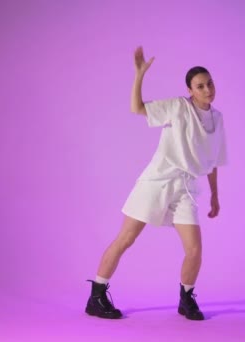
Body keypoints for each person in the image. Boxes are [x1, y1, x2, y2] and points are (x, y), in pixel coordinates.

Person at [85, 46, 227, 321]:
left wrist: (214, 196)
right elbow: (137, 108)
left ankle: (186, 300)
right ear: (190, 90)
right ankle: (96, 295)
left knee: (194, 250)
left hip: (185, 188)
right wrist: (139, 75)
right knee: (127, 238)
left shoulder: (217, 118)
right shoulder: (177, 107)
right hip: (157, 181)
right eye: (200, 86)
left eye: (210, 83)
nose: (208, 89)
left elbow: (214, 160)